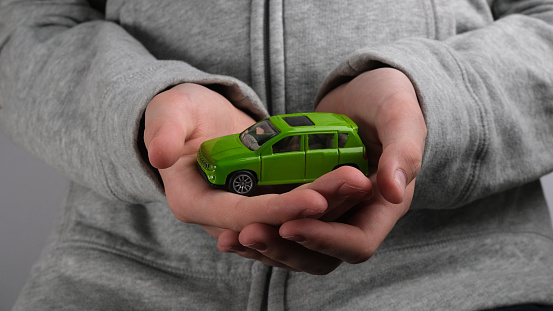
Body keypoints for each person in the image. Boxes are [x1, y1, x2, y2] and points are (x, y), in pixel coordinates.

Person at [1, 0, 553, 310]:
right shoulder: (229, 158)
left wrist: (435, 102)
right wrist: (138, 104)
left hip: (466, 280)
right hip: (115, 281)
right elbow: (21, 23)